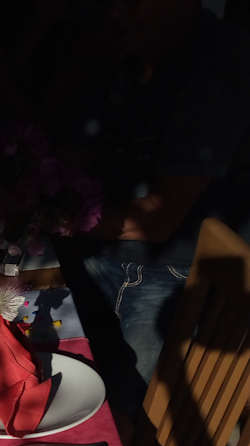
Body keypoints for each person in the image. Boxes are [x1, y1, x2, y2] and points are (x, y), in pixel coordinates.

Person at [51, 0, 250, 423]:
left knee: (128, 421)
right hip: (108, 250)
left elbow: (159, 219)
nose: (119, 11)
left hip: (166, 270)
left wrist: (51, 217)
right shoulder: (141, 48)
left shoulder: (216, 69)